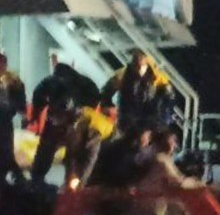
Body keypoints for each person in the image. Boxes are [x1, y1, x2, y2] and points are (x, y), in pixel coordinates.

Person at [28, 54, 102, 186]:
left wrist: (35, 115)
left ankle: (36, 179)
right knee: (74, 155)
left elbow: (38, 96)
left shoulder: (50, 80)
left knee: (45, 150)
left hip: (56, 121)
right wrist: (85, 108)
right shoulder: (84, 81)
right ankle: (72, 185)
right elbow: (96, 96)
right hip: (77, 121)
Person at [102, 50, 175, 137]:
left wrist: (159, 122)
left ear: (147, 60)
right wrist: (109, 107)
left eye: (141, 58)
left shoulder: (159, 79)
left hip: (147, 122)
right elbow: (106, 92)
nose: (138, 65)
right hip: (125, 118)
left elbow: (168, 101)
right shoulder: (122, 74)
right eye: (136, 60)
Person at [0, 52, 24, 184]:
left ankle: (18, 182)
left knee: (6, 155)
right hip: (6, 122)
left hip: (4, 122)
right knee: (6, 155)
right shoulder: (13, 81)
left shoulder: (12, 81)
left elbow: (18, 104)